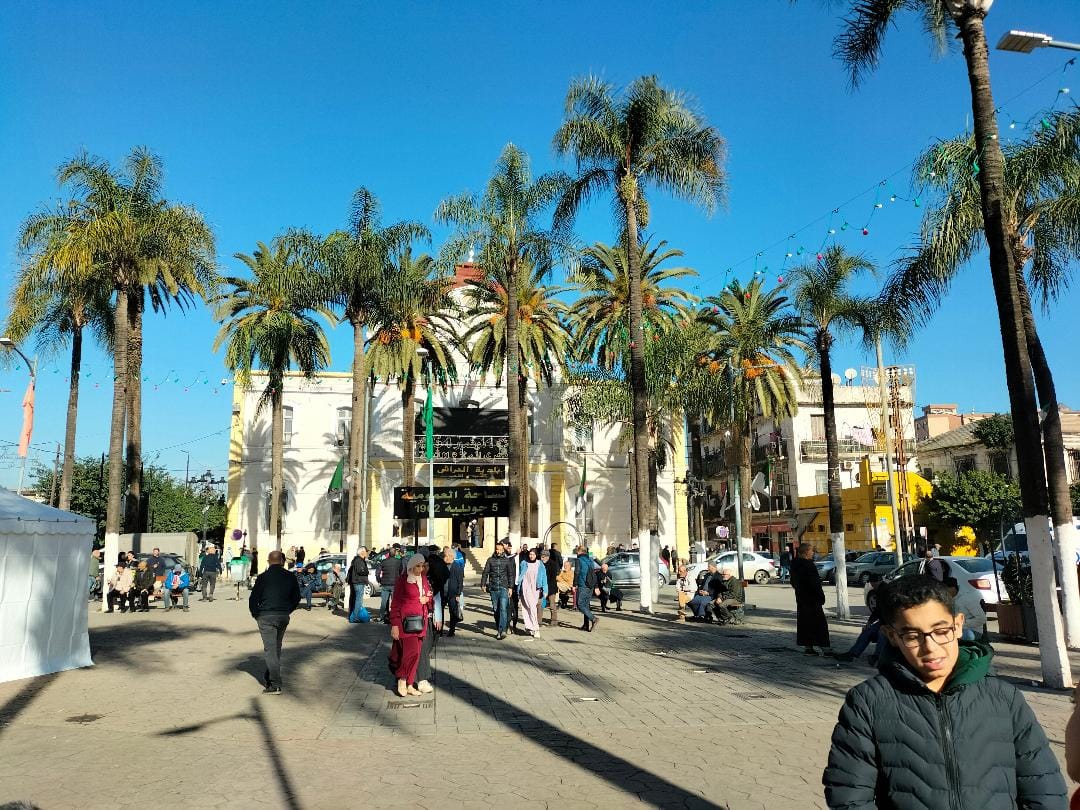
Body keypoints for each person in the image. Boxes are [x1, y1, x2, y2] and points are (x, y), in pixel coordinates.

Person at [823, 574, 1066, 808]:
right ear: (891, 636)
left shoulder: (1003, 697)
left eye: (941, 632)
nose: (930, 647)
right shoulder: (868, 702)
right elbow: (848, 795)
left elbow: (1044, 786)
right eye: (912, 636)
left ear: (958, 625)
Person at [249, 549, 301, 695]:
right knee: (276, 648)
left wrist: (256, 614)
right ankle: (270, 675)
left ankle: (275, 683)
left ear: (268, 561)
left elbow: (253, 598)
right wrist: (287, 610)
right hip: (283, 615)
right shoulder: (290, 577)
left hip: (266, 616)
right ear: (283, 561)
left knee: (270, 650)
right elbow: (296, 597)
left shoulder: (263, 577)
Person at [388, 553, 431, 697]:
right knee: (409, 654)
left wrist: (427, 599)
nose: (420, 569)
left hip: (421, 623)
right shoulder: (402, 581)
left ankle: (410, 684)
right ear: (411, 566)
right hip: (405, 624)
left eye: (422, 566)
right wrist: (394, 624)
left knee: (417, 655)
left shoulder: (424, 579)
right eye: (418, 566)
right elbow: (395, 604)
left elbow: (430, 599)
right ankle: (402, 679)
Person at [791, 544, 833, 655]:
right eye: (811, 551)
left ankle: (808, 647)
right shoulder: (809, 565)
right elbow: (815, 583)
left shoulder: (795, 564)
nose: (813, 553)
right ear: (805, 552)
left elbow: (793, 582)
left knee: (805, 623)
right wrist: (820, 597)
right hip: (812, 600)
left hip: (801, 598)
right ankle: (825, 648)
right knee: (820, 624)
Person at [837, 574, 883, 665]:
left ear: (879, 582)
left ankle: (876, 657)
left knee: (883, 634)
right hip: (884, 622)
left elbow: (882, 610)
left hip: (891, 623)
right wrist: (869, 623)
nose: (873, 585)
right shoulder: (878, 591)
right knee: (867, 631)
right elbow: (878, 611)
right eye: (872, 583)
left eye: (874, 583)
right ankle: (852, 654)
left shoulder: (885, 591)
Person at [481, 539, 515, 640]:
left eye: (500, 550)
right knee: (496, 610)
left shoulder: (507, 561)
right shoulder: (490, 560)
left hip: (504, 588)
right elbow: (485, 572)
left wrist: (510, 587)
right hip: (493, 588)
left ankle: (502, 630)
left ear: (503, 550)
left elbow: (510, 575)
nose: (498, 551)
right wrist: (483, 584)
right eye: (497, 549)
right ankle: (499, 627)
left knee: (503, 608)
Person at [517, 548, 548, 638]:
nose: (531, 556)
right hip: (525, 588)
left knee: (533, 608)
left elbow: (544, 577)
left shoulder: (540, 564)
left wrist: (545, 589)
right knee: (526, 608)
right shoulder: (523, 563)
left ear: (536, 555)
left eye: (533, 554)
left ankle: (536, 628)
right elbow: (520, 574)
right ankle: (529, 627)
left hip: (535, 588)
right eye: (530, 554)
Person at [944, 577, 986, 641]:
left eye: (946, 591)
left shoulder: (967, 598)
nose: (944, 593)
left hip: (973, 631)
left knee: (966, 635)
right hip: (955, 628)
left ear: (952, 588)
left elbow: (982, 619)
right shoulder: (950, 598)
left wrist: (960, 625)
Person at [573, 546, 599, 632]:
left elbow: (576, 572)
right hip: (590, 585)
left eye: (577, 551)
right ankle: (586, 625)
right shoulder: (590, 560)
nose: (576, 553)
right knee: (586, 605)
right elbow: (594, 573)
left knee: (580, 604)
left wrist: (574, 584)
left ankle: (593, 619)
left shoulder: (578, 560)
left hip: (582, 584)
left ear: (580, 551)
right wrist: (596, 586)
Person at [378, 545, 403, 622]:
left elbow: (377, 573)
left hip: (385, 584)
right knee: (395, 602)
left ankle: (382, 617)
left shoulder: (383, 562)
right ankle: (394, 617)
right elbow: (401, 571)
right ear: (395, 553)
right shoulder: (398, 562)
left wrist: (379, 580)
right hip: (395, 584)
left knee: (384, 602)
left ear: (388, 554)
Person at [443, 546, 464, 637]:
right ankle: (439, 630)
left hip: (453, 593)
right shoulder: (443, 565)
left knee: (452, 611)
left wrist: (458, 593)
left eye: (446, 556)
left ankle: (452, 630)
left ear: (451, 556)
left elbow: (460, 581)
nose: (444, 557)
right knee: (441, 610)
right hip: (443, 592)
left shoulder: (457, 567)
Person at [346, 546, 370, 616]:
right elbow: (360, 571)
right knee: (358, 600)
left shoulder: (357, 560)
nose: (367, 553)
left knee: (355, 599)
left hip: (356, 581)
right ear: (362, 552)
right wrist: (367, 571)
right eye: (366, 551)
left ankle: (353, 615)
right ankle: (355, 616)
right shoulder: (359, 560)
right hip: (358, 582)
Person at [541, 549, 560, 627]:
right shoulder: (540, 563)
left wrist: (547, 587)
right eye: (541, 557)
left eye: (543, 557)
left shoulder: (553, 564)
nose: (542, 558)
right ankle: (538, 620)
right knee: (541, 605)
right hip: (542, 587)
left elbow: (552, 577)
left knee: (552, 605)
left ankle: (554, 621)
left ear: (547, 557)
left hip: (551, 587)